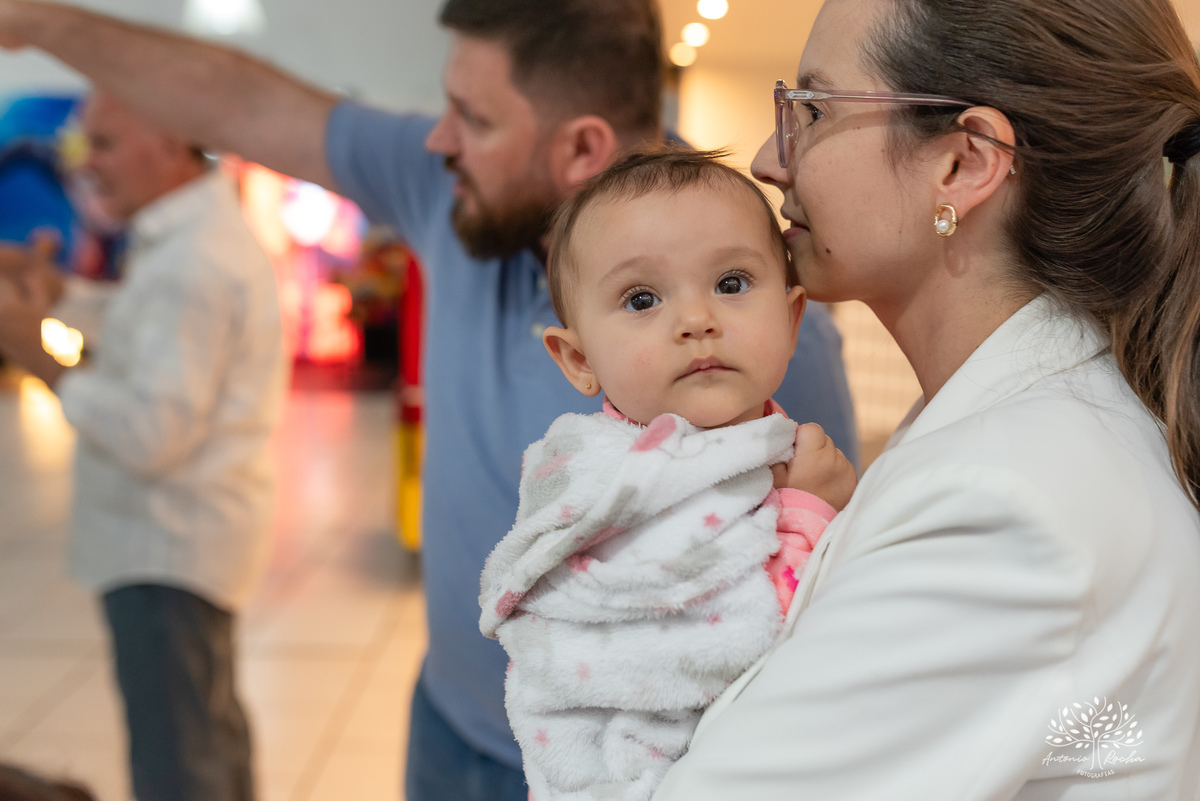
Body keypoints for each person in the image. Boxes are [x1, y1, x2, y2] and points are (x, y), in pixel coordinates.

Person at [0, 3, 860, 799]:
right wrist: (35, 18)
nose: (438, 140)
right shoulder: (452, 194)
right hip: (450, 722)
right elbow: (241, 104)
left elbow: (813, 610)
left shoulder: (758, 344)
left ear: (579, 148)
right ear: (573, 354)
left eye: (475, 119)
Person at [647, 0, 1200, 797]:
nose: (771, 159)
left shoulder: (1008, 506)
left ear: (964, 164)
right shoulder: (1018, 431)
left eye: (812, 109)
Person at [479, 149, 856, 800]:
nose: (697, 320)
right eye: (642, 298)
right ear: (577, 358)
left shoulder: (776, 448)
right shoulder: (602, 480)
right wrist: (808, 516)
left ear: (793, 320)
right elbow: (733, 642)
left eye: (732, 283)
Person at [0, 91, 286, 801]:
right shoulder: (191, 236)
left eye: (102, 144)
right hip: (191, 541)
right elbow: (143, 324)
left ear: (170, 139)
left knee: (178, 763)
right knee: (209, 731)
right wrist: (57, 293)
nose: (84, 166)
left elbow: (148, 433)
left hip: (166, 551)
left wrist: (39, 359)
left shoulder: (193, 262)